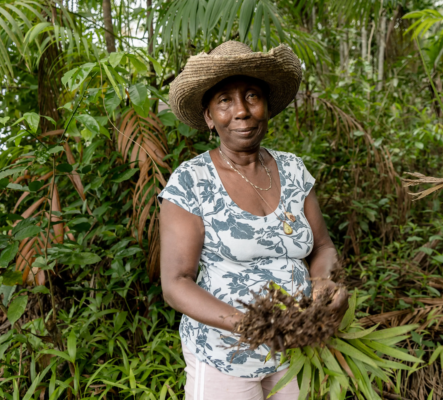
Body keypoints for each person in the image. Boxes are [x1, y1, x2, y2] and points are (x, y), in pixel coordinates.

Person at [159, 41, 349, 400]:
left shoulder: (293, 169)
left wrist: (323, 284)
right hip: (224, 356)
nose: (242, 111)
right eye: (224, 101)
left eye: (251, 96)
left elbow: (323, 247)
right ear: (208, 117)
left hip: (296, 350)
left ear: (267, 106)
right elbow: (176, 283)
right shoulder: (191, 181)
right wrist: (254, 325)